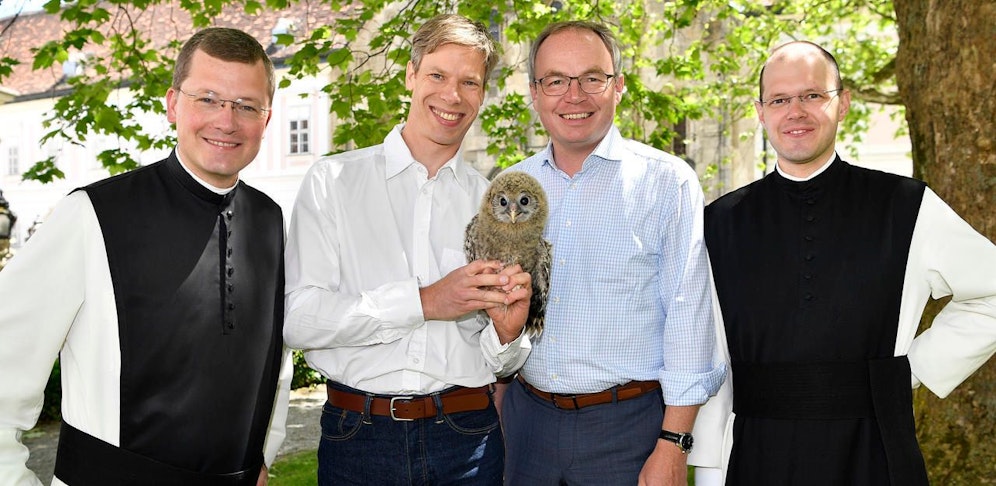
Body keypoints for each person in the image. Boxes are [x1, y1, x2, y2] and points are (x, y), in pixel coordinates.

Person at [693, 40, 996, 485]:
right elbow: (709, 356)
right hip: (754, 455)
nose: (795, 111)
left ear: (844, 103)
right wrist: (709, 472)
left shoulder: (906, 206)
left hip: (874, 448)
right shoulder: (718, 223)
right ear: (761, 113)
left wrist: (913, 370)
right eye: (780, 99)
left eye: (813, 95)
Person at [0, 27, 291, 485]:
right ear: (173, 103)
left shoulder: (271, 221)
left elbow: (275, 364)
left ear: (266, 119)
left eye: (246, 106)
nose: (227, 121)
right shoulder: (92, 214)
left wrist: (264, 456)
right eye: (209, 98)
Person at [283, 14, 533, 485]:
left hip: (468, 438)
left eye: (469, 82)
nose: (452, 95)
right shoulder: (333, 182)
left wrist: (507, 333)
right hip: (358, 435)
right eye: (438, 75)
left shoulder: (497, 205)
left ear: (482, 93)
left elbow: (503, 362)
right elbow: (298, 319)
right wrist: (422, 302)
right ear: (411, 75)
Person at [500, 20, 725, 485]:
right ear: (535, 92)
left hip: (630, 432)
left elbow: (689, 319)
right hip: (527, 426)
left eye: (592, 78)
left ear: (618, 86)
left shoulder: (667, 182)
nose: (573, 95)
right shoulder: (510, 188)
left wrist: (674, 444)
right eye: (556, 80)